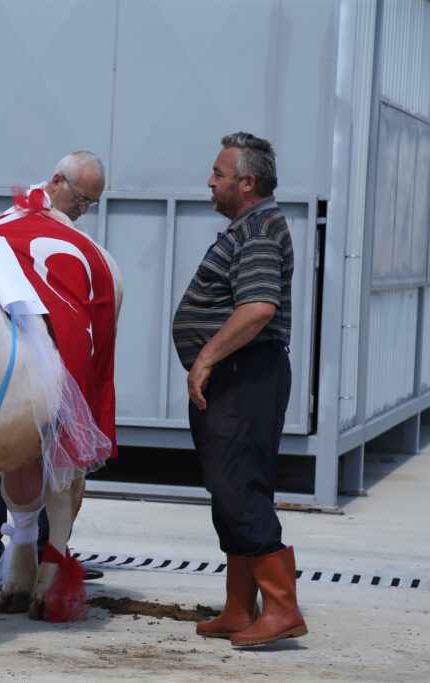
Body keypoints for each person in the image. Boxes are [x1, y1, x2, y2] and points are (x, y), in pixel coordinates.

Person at [172, 132, 307, 647]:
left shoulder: (259, 229)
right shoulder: (251, 224)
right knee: (229, 487)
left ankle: (281, 608)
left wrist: (204, 358)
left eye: (219, 174)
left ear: (247, 182)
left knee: (238, 487)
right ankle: (239, 606)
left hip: (244, 375)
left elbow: (258, 308)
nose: (210, 182)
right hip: (238, 376)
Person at [0, 151, 107, 590]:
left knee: (49, 447)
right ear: (57, 182)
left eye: (90, 205)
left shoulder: (61, 237)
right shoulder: (8, 226)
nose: (82, 211)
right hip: (2, 358)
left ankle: (45, 548)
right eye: (80, 199)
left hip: (41, 355)